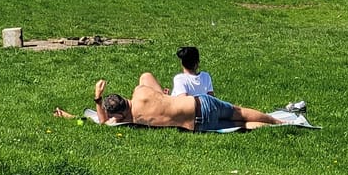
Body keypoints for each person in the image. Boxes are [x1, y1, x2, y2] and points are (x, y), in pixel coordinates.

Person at [54, 74, 283, 131]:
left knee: (240, 126)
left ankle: (278, 125)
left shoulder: (133, 120)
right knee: (239, 113)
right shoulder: (141, 92)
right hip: (200, 103)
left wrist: (97, 99)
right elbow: (145, 75)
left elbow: (101, 122)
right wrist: (160, 93)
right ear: (125, 99)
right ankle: (278, 121)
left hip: (196, 124)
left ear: (118, 116)